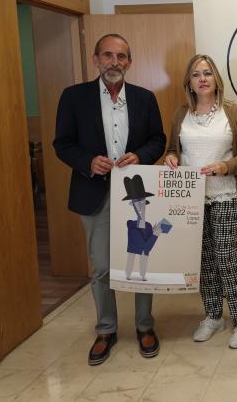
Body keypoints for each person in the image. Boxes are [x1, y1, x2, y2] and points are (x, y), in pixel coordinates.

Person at [54, 34, 166, 365]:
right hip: (94, 192)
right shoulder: (74, 97)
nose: (114, 61)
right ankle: (106, 329)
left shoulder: (145, 98)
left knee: (141, 260)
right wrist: (87, 162)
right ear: (95, 59)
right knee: (102, 267)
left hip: (136, 191)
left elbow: (158, 139)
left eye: (121, 56)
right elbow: (62, 143)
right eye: (107, 55)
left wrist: (141, 155)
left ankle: (145, 326)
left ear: (129, 62)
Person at [164, 54, 237, 349]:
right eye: (195, 74)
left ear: (216, 78)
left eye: (207, 73)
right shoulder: (181, 114)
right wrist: (172, 157)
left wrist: (225, 166)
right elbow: (172, 148)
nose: (202, 78)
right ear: (188, 82)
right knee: (203, 260)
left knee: (226, 258)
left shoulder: (232, 112)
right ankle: (213, 315)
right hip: (191, 200)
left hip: (224, 195)